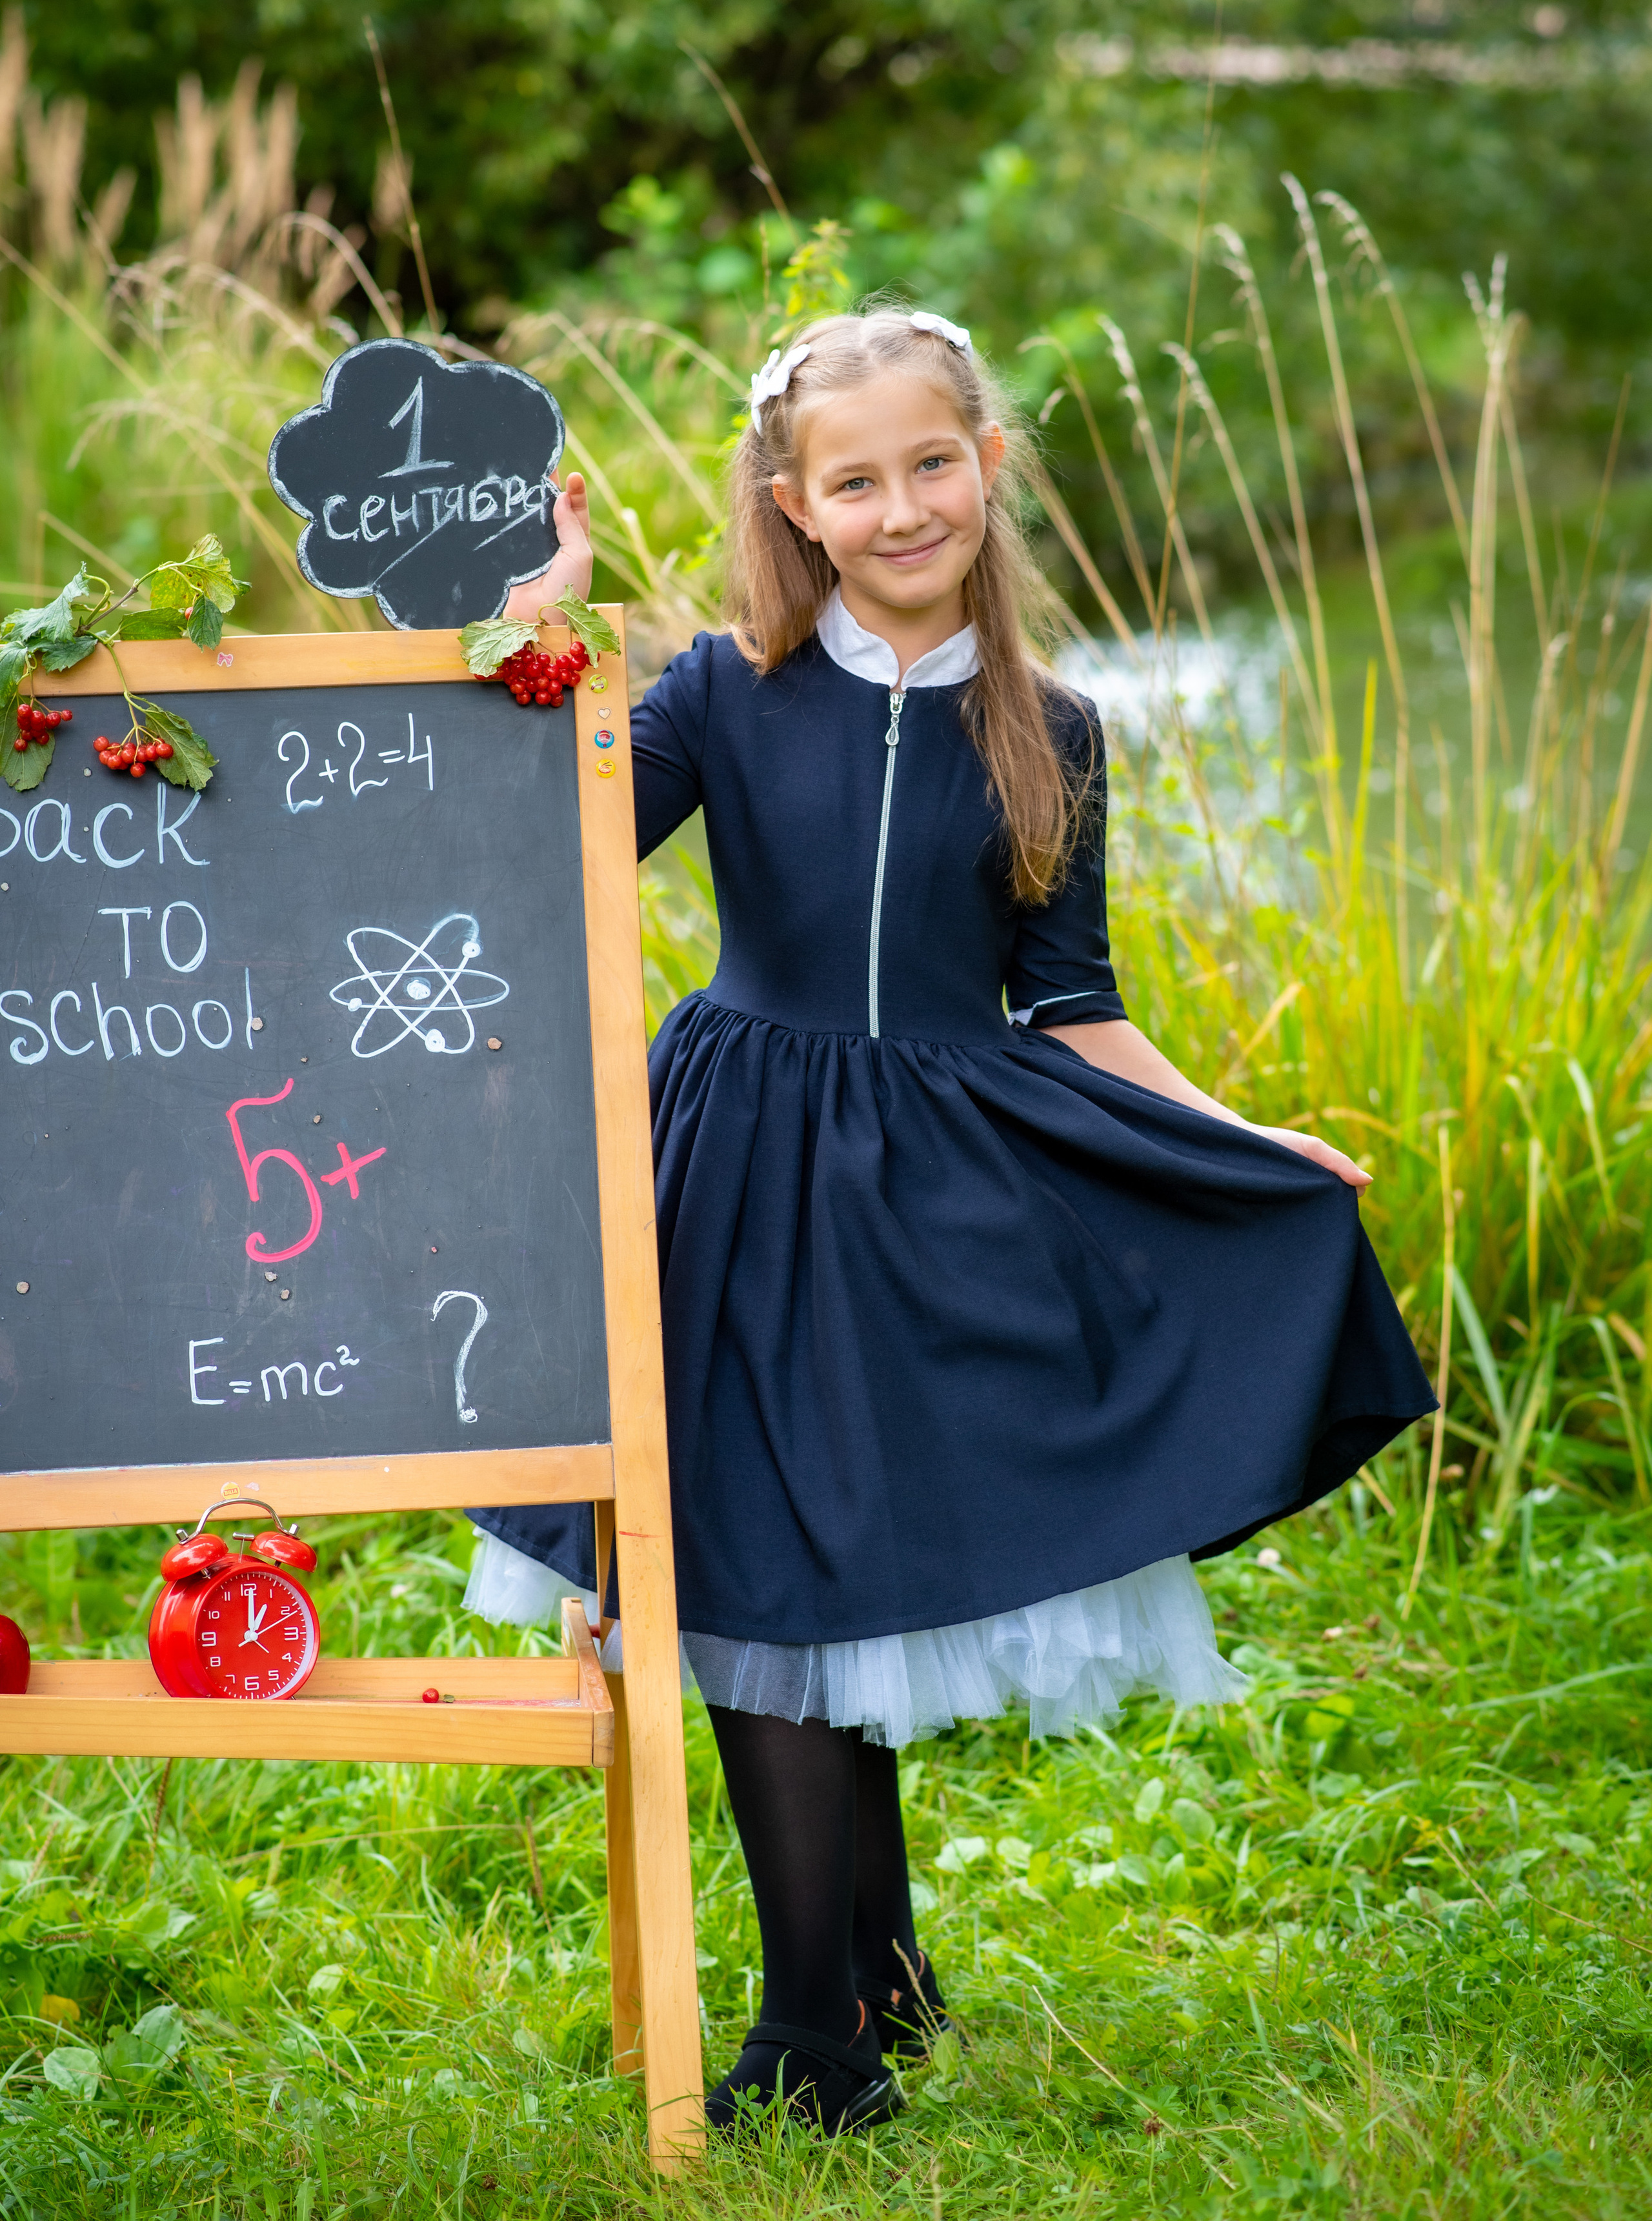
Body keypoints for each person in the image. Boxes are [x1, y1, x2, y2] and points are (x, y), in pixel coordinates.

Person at [469, 307, 1435, 2135]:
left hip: (928, 1184)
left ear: (984, 470)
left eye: (933, 466)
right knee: (756, 1569)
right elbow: (562, 843)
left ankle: (868, 1983)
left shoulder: (1051, 730)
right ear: (796, 503)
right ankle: (822, 2023)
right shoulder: (718, 693)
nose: (902, 504)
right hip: (738, 1164)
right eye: (858, 480)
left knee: (852, 1568)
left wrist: (1249, 1137)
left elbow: (1075, 1004)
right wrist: (547, 630)